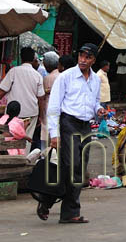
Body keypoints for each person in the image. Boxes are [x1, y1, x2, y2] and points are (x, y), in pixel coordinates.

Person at [37, 44, 103, 224]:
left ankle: (65, 210)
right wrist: (54, 134)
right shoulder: (66, 77)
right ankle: (52, 202)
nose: (83, 60)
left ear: (93, 60)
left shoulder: (96, 80)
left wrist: (100, 110)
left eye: (88, 57)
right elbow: (54, 106)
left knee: (79, 170)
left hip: (86, 126)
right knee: (71, 166)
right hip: (68, 124)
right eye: (81, 55)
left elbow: (95, 103)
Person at [0, 47, 46, 145]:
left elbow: (2, 92)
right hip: (31, 112)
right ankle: (23, 158)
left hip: (13, 114)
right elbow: (41, 98)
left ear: (21, 58)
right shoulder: (37, 75)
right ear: (32, 59)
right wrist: (41, 116)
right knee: (26, 142)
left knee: (10, 141)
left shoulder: (14, 71)